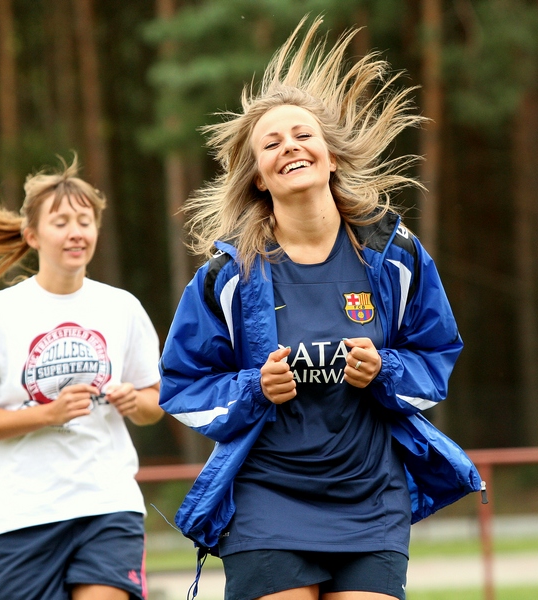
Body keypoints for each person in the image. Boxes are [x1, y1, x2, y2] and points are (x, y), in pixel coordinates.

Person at [158, 17, 482, 600]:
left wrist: (385, 370)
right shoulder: (227, 277)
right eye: (271, 144)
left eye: (301, 134)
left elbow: (435, 355)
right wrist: (256, 387)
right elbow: (184, 384)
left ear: (330, 157)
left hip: (371, 497)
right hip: (267, 497)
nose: (289, 146)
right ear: (259, 178)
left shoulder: (396, 256)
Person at [0, 155, 163, 600]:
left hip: (109, 506)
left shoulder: (123, 307)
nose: (76, 232)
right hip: (23, 518)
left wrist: (136, 401)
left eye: (85, 222)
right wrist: (48, 414)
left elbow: (154, 403)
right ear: (32, 235)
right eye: (61, 222)